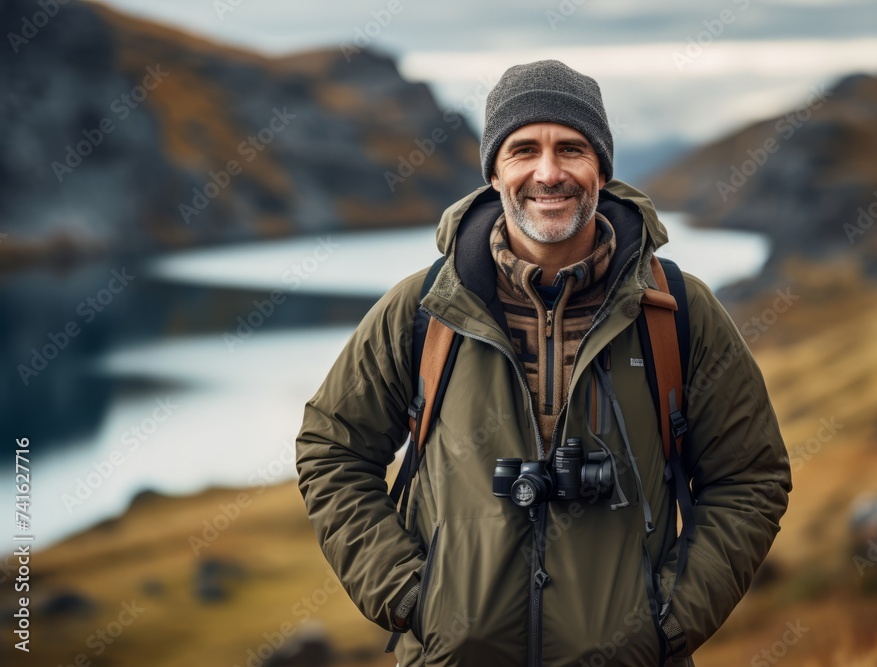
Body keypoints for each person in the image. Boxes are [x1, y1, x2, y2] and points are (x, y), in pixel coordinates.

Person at [296, 59, 791, 666]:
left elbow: (751, 476)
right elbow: (331, 447)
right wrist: (411, 598)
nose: (549, 173)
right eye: (523, 149)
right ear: (495, 171)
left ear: (602, 170)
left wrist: (671, 622)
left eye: (572, 149)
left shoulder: (676, 311)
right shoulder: (425, 310)